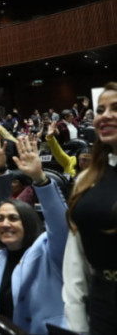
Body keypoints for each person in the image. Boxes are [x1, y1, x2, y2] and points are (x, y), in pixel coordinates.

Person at [0, 136, 69, 334]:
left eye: (13, 218)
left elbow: (60, 225)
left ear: (27, 222)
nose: (5, 224)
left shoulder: (49, 253)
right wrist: (0, 172)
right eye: (0, 220)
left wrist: (40, 179)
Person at [63, 82, 117, 334]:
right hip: (102, 303)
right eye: (100, 109)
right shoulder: (86, 179)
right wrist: (76, 323)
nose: (105, 115)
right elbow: (76, 259)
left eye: (115, 108)